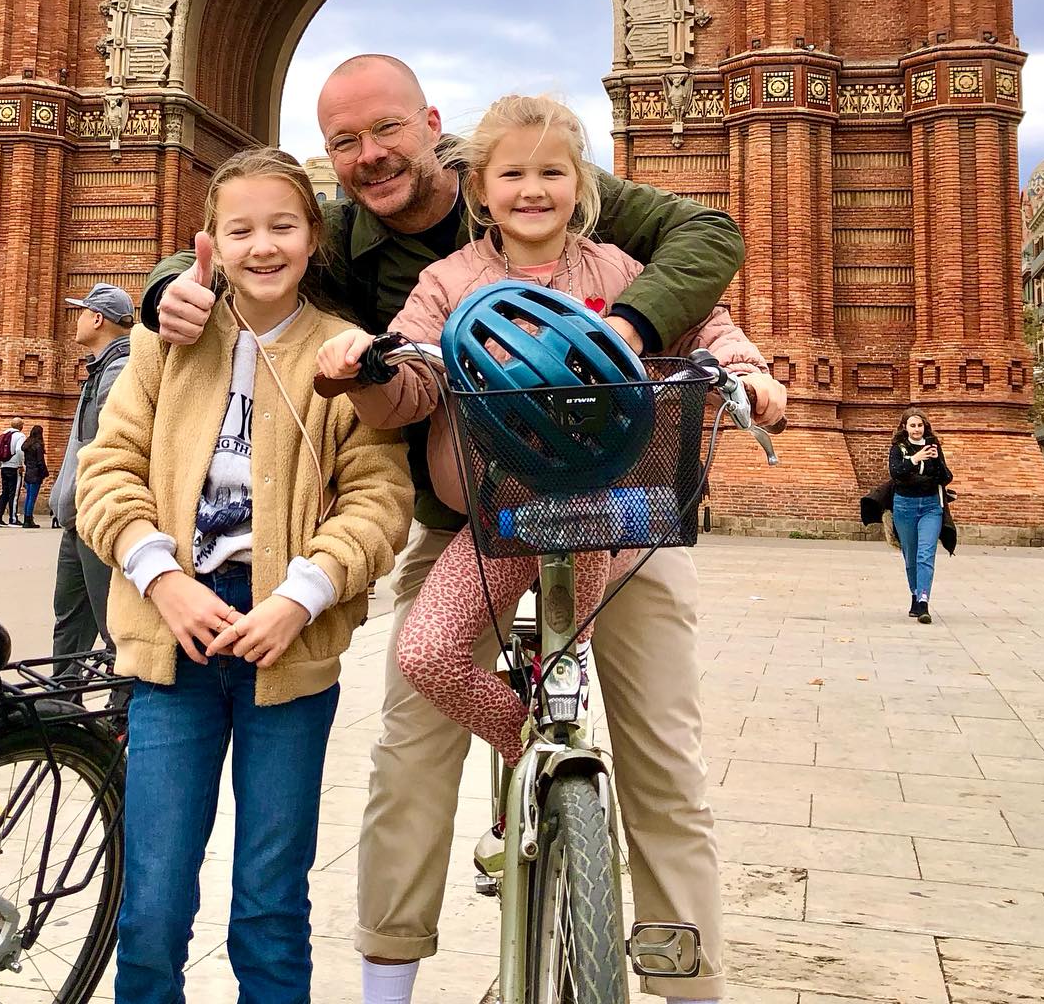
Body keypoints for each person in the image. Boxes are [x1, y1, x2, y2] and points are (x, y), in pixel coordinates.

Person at [142, 54, 771, 1004]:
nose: (368, 156)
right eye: (344, 142)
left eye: (386, 130)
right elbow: (255, 244)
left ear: (434, 128)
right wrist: (169, 294)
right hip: (471, 520)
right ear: (481, 185)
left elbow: (709, 249)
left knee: (662, 758)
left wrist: (667, 341)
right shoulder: (396, 256)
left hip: (623, 515)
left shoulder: (586, 208)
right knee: (410, 753)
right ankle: (393, 972)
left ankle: (690, 982)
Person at [316, 94, 783, 789]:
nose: (532, 190)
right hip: (502, 516)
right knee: (427, 653)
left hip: (605, 509)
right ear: (478, 189)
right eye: (511, 176)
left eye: (552, 174)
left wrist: (749, 375)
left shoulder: (618, 270)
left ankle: (573, 769)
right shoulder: (446, 283)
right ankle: (531, 748)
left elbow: (704, 328)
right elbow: (410, 383)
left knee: (577, 656)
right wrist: (364, 371)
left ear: (581, 185)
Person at [77, 147, 412, 1004]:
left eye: (282, 227)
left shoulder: (341, 355)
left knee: (268, 904)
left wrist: (301, 598)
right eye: (241, 230)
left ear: (314, 238)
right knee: (149, 902)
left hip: (284, 650)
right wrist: (162, 578)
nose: (262, 247)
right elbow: (105, 471)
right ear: (210, 246)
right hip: (171, 643)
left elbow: (378, 500)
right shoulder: (165, 345)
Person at [50, 284, 135, 660]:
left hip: (97, 519)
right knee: (70, 623)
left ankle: (124, 715)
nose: (78, 319)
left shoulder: (119, 370)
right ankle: (63, 712)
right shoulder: (102, 368)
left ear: (97, 318)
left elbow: (112, 446)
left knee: (114, 627)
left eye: (82, 311)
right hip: (77, 521)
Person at [889, 411, 952, 624]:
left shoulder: (933, 447)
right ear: (905, 427)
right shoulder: (898, 449)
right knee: (911, 555)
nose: (917, 429)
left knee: (925, 554)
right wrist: (915, 459)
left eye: (920, 425)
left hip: (930, 506)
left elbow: (946, 477)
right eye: (912, 425)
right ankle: (915, 595)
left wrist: (936, 461)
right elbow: (896, 473)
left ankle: (924, 601)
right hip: (904, 506)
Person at [0, 417, 25, 526]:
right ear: (21, 426)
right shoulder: (20, 436)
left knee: (4, 493)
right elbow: (19, 450)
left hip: (4, 466)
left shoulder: (3, 435)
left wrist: (1, 464)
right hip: (14, 467)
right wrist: (21, 464)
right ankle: (13, 519)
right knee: (14, 494)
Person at [19, 425, 49, 529]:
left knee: (28, 497)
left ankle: (26, 518)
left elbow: (26, 461)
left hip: (28, 472)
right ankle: (28, 519)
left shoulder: (27, 445)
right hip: (36, 474)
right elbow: (40, 461)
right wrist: (45, 472)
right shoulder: (38, 445)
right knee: (32, 497)